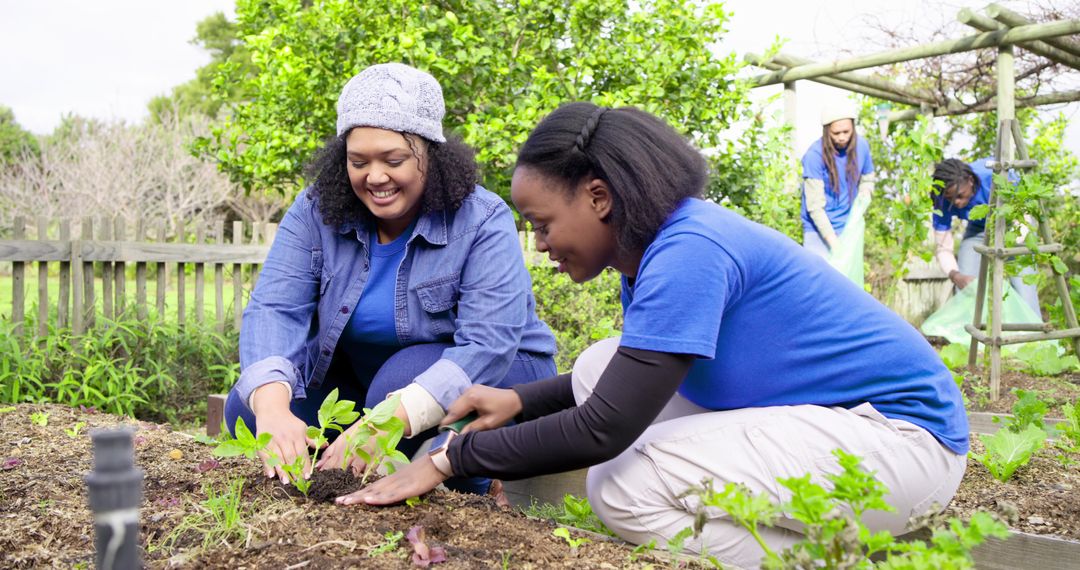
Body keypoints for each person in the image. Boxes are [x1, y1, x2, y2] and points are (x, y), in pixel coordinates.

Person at [338, 102, 969, 569]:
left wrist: (448, 460)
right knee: (595, 366)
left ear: (598, 196)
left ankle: (823, 559)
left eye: (543, 223)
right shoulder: (654, 250)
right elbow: (626, 383)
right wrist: (521, 401)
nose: (540, 244)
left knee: (623, 486)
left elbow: (602, 430)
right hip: (835, 424)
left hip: (903, 444)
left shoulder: (689, 251)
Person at [225, 63, 557, 495]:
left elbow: (488, 343)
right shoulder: (314, 211)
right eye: (358, 161)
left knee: (396, 382)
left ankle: (473, 487)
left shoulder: (481, 218)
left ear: (430, 155)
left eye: (394, 160)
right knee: (250, 405)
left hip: (499, 372)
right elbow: (275, 307)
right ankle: (324, 478)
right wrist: (272, 408)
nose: (374, 177)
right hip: (370, 386)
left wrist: (385, 422)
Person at [931, 157, 1041, 315]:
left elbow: (1023, 215)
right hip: (979, 228)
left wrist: (1006, 247)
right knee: (967, 284)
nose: (956, 202)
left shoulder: (994, 176)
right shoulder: (941, 200)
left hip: (1015, 222)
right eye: (951, 198)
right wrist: (956, 276)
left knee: (1024, 287)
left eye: (960, 195)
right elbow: (943, 248)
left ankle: (1032, 336)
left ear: (970, 181)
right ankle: (970, 336)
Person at [800, 100, 876, 257]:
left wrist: (866, 191)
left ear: (853, 128)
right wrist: (834, 242)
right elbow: (815, 207)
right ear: (827, 131)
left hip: (848, 228)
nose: (842, 137)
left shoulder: (862, 146)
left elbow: (868, 178)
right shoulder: (814, 156)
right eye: (836, 133)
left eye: (846, 132)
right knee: (820, 279)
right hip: (817, 232)